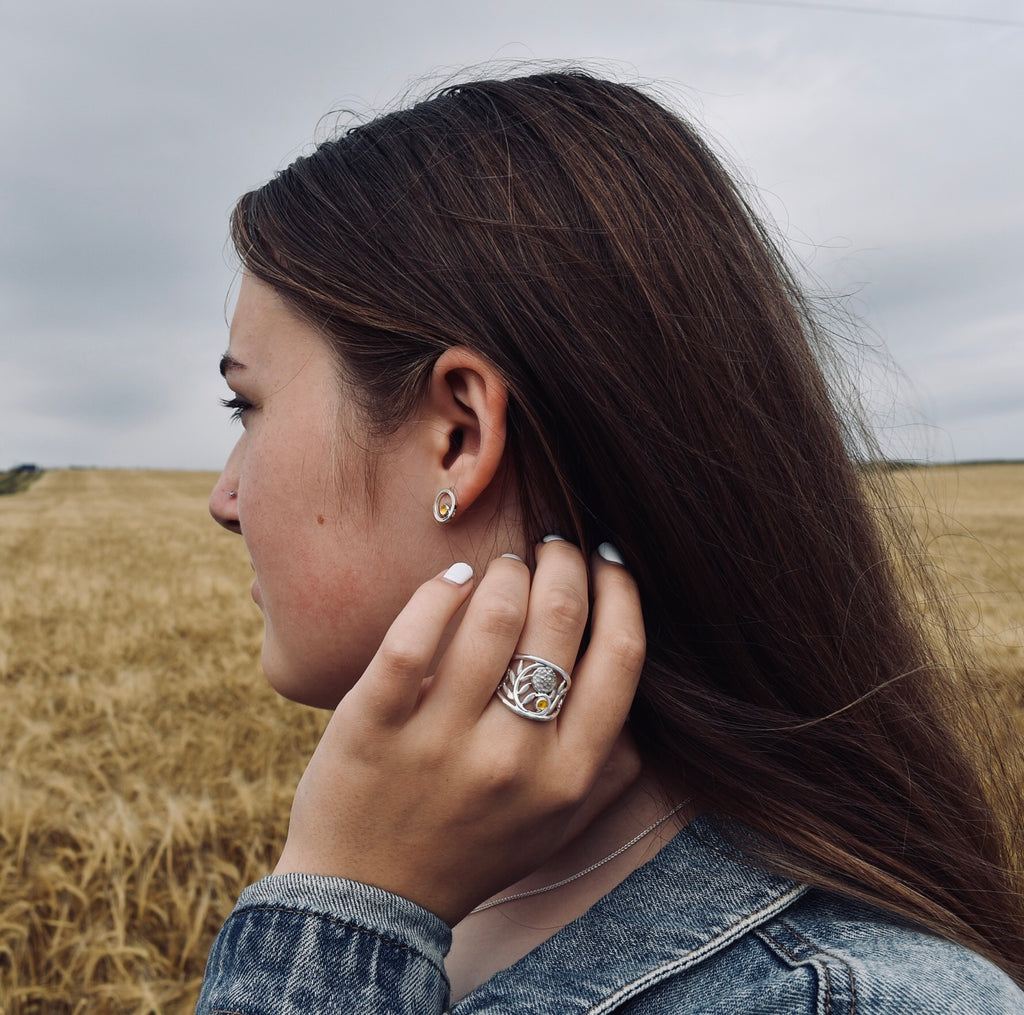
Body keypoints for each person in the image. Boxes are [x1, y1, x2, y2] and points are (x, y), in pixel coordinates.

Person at [197, 70, 1024, 1013]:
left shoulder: (842, 1002)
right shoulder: (436, 870)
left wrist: (334, 919)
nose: (225, 498)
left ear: (458, 436)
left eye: (246, 405)